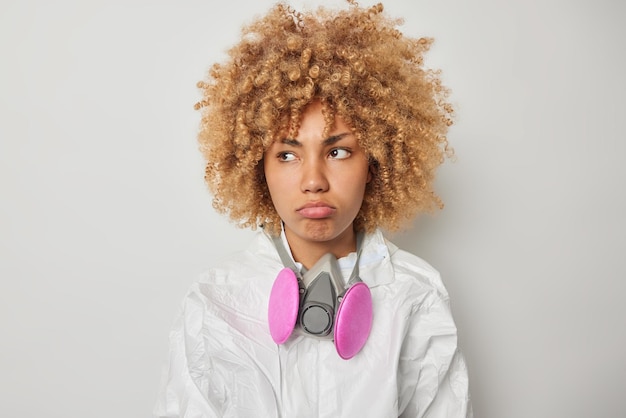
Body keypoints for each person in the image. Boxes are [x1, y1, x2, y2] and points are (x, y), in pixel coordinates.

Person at [154, 1, 472, 416]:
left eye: (338, 151)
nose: (313, 180)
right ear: (257, 167)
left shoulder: (415, 295)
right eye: (287, 155)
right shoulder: (215, 300)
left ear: (375, 163)